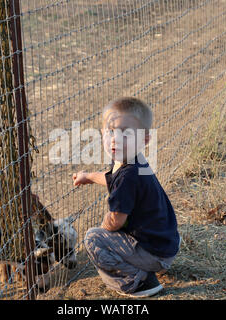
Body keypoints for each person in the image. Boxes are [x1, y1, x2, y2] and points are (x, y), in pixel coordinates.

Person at [72, 97, 180, 297]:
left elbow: (115, 221)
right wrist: (88, 177)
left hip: (154, 251)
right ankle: (152, 265)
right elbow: (112, 179)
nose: (115, 139)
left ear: (145, 139)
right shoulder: (133, 162)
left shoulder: (127, 176)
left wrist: (106, 232)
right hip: (165, 244)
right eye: (110, 132)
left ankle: (138, 281)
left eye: (126, 134)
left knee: (94, 238)